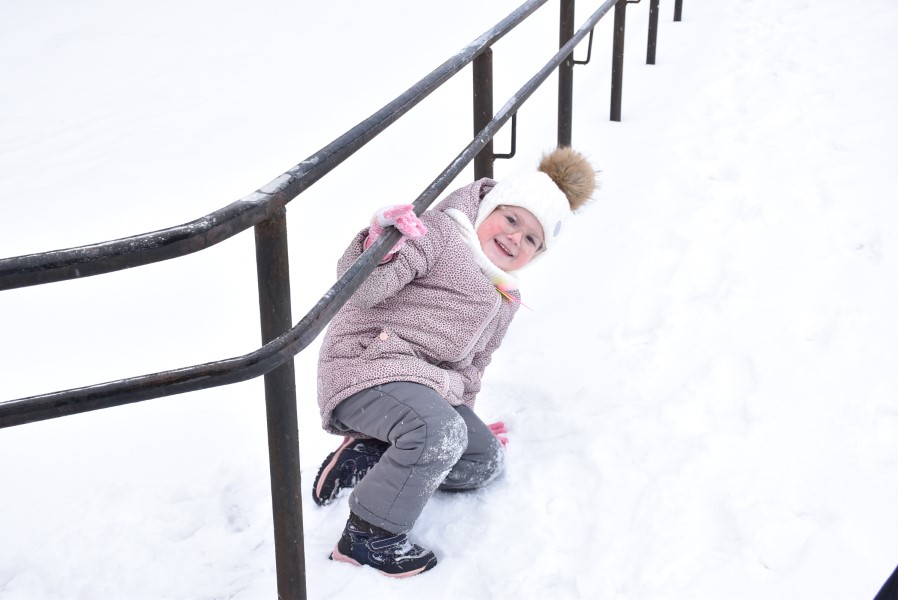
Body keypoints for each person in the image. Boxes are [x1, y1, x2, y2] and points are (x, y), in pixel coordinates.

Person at [312, 147, 597, 578]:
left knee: (482, 459)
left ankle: (372, 453)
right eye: (511, 220)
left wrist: (462, 417)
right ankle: (368, 537)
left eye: (531, 239)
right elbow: (364, 289)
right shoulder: (440, 233)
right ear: (489, 207)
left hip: (421, 387)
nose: (515, 238)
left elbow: (473, 366)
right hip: (365, 367)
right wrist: (381, 247)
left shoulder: (505, 295)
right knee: (438, 433)